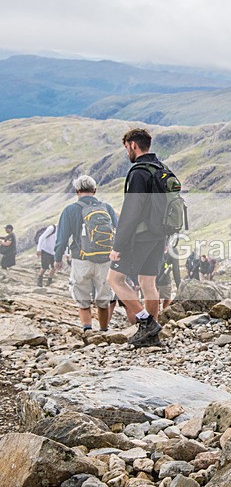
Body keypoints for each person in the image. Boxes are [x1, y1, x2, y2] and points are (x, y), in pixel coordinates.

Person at [107, 128, 172, 348]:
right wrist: (165, 240)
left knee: (114, 279)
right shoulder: (161, 169)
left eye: (126, 148)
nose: (127, 153)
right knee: (147, 282)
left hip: (141, 237)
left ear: (133, 145)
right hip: (159, 236)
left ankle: (147, 324)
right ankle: (151, 336)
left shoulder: (139, 172)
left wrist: (118, 245)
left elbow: (131, 212)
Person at [53, 176, 118, 333]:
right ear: (94, 191)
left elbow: (61, 239)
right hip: (105, 260)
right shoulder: (107, 208)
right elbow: (118, 232)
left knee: (83, 300)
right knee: (104, 300)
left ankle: (87, 330)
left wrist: (57, 259)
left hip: (81, 260)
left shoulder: (70, 210)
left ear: (77, 191)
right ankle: (103, 331)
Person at [157, 239, 181, 310]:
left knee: (155, 301)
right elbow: (175, 269)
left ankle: (154, 317)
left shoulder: (153, 245)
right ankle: (164, 315)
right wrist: (178, 286)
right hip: (164, 281)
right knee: (166, 300)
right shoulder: (173, 250)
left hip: (152, 280)